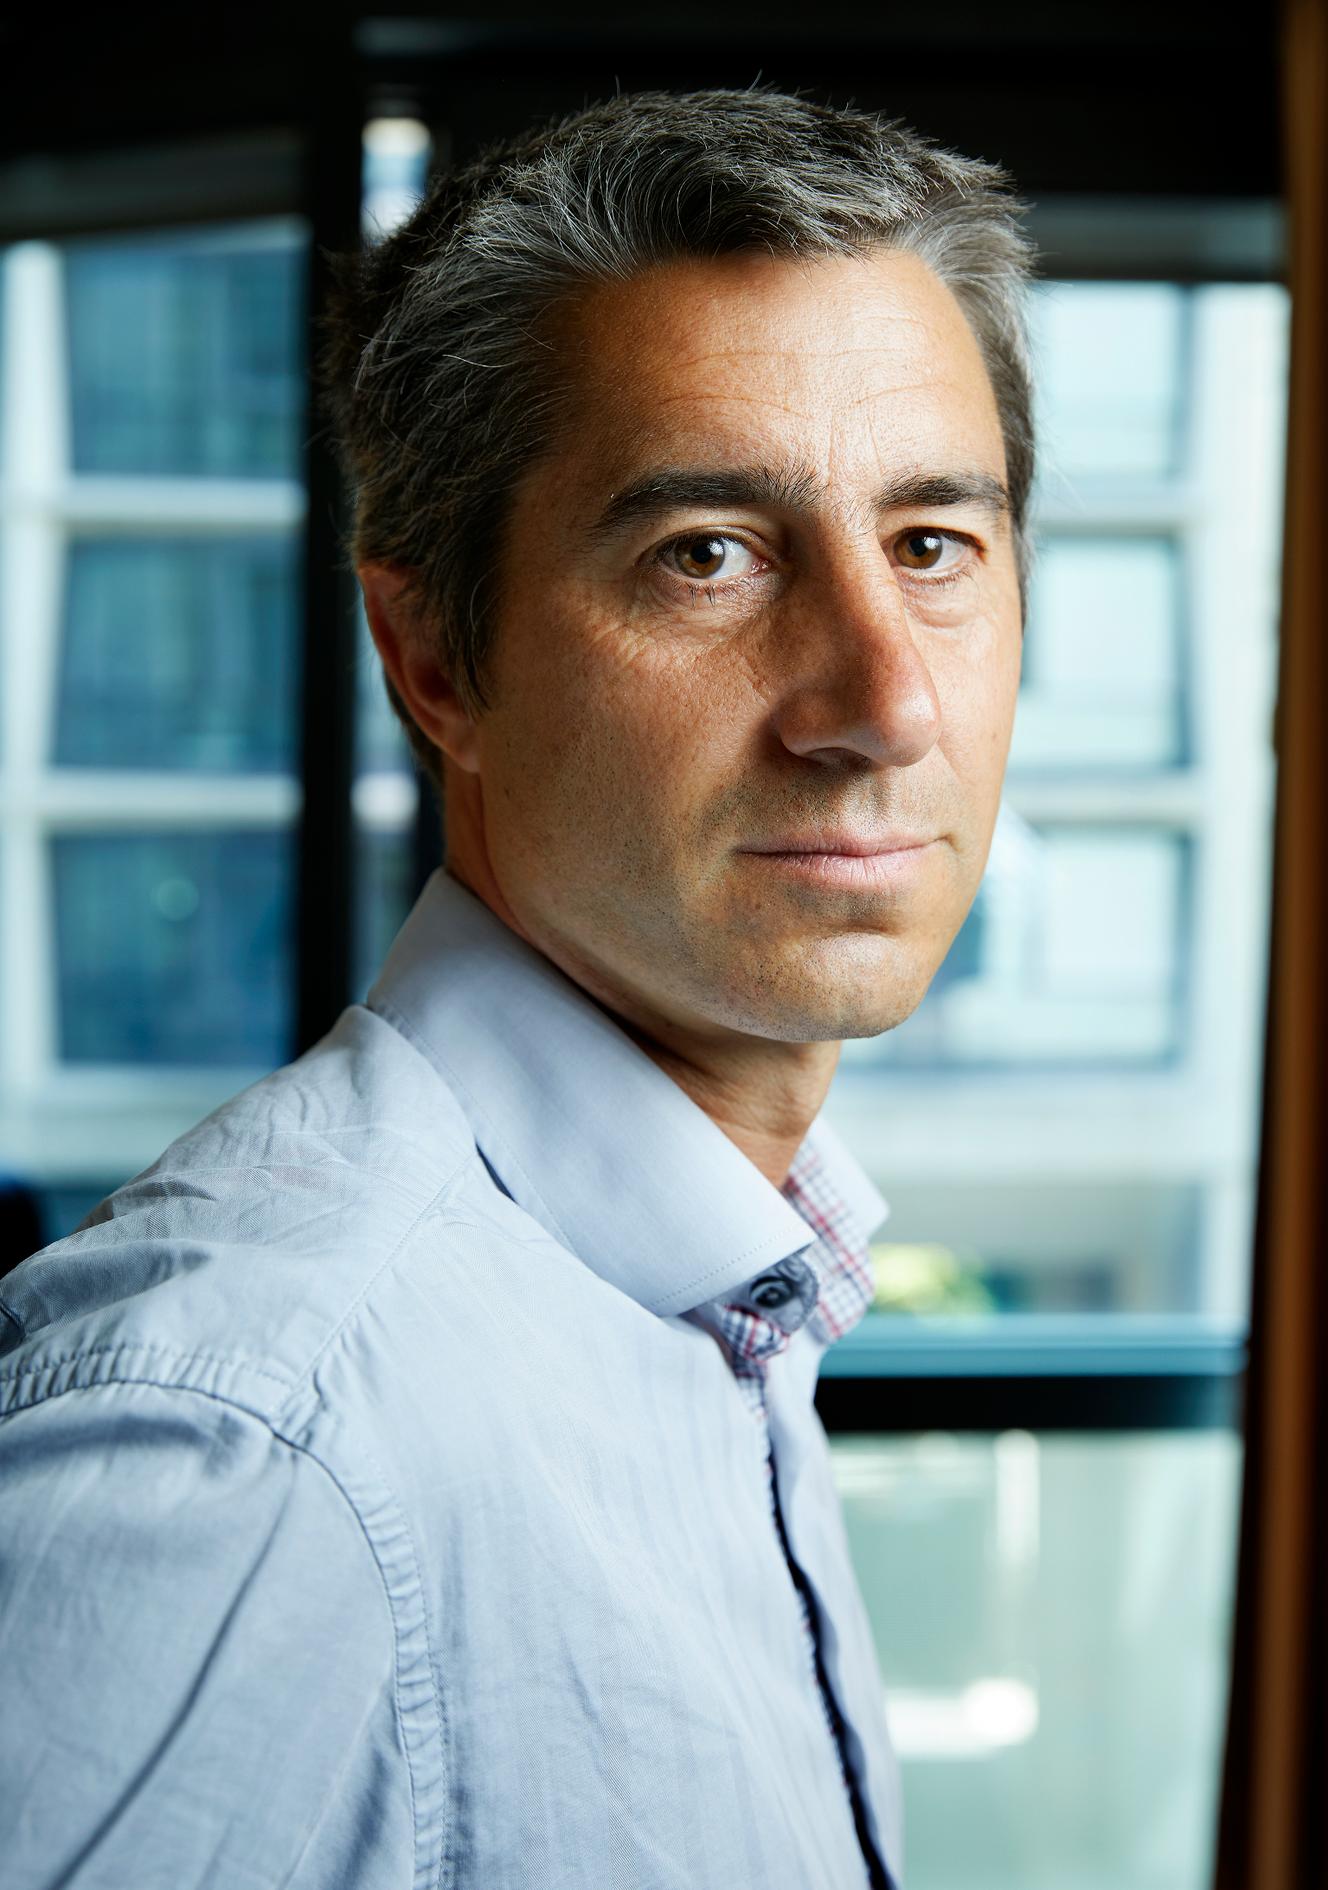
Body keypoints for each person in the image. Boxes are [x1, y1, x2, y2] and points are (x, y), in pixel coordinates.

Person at [0, 85, 1036, 1890]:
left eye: (933, 544)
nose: (885, 703)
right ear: (432, 660)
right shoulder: (250, 1445)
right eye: (707, 552)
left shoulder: (726, 1300)